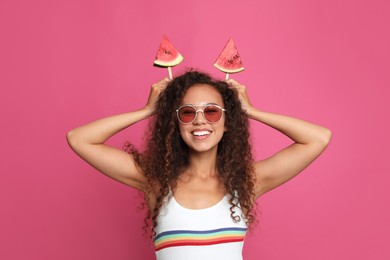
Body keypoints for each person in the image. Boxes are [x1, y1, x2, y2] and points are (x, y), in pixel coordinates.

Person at [66, 70, 331, 260]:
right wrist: (147, 110)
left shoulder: (247, 182)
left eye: (212, 111)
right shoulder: (155, 180)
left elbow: (318, 138)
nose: (200, 121)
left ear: (227, 123)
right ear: (176, 123)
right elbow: (79, 139)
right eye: (188, 112)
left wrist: (250, 110)